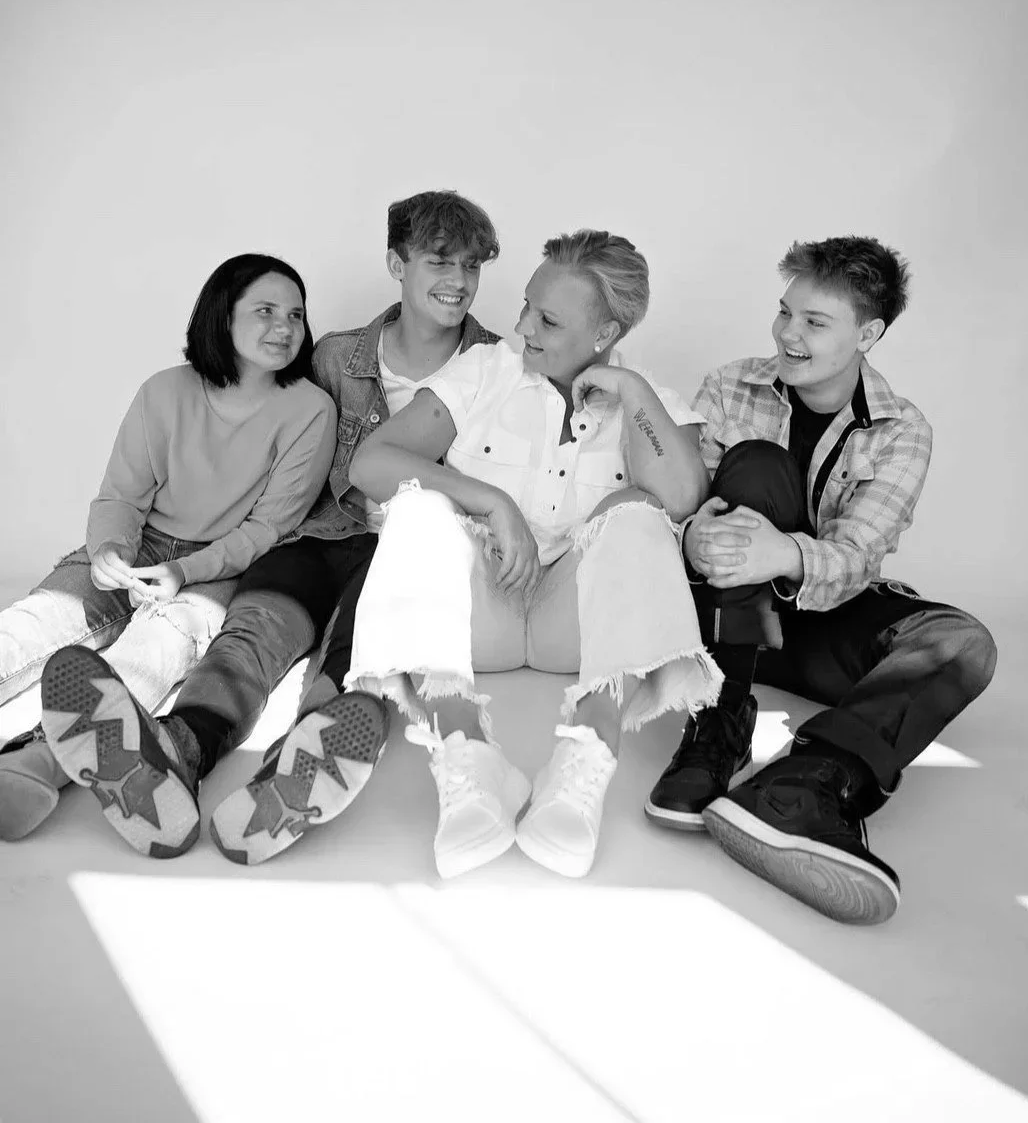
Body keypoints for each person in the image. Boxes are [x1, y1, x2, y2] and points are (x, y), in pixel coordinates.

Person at [224, 229, 721, 878]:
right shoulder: (487, 370)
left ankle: (584, 763)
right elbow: (372, 463)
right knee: (415, 507)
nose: (522, 327)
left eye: (547, 319)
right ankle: (467, 756)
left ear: (603, 334)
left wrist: (630, 395)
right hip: (477, 615)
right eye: (525, 307)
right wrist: (491, 502)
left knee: (639, 517)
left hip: (574, 633)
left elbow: (682, 496)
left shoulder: (648, 400)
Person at [37, 191, 502, 860]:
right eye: (439, 261)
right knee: (249, 634)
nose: (457, 281)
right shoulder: (335, 358)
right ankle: (177, 749)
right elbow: (278, 453)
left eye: (472, 267)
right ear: (397, 265)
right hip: (316, 538)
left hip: (413, 550)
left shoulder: (495, 363)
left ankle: (302, 760)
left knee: (360, 648)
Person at [645, 236, 998, 925]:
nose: (787, 333)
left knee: (964, 642)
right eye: (785, 313)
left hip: (816, 615)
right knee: (754, 465)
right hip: (721, 617)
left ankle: (801, 786)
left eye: (814, 322)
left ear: (869, 333)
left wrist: (782, 556)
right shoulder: (730, 385)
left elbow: (859, 555)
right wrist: (693, 535)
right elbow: (675, 507)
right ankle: (719, 723)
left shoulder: (901, 430)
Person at [0, 253, 336, 849]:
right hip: (141, 542)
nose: (284, 327)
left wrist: (185, 572)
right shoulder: (164, 390)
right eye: (265, 311)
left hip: (220, 567)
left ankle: (31, 764)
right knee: (36, 621)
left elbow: (266, 528)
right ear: (221, 315)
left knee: (152, 650)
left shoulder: (310, 409)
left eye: (296, 315)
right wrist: (109, 550)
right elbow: (121, 496)